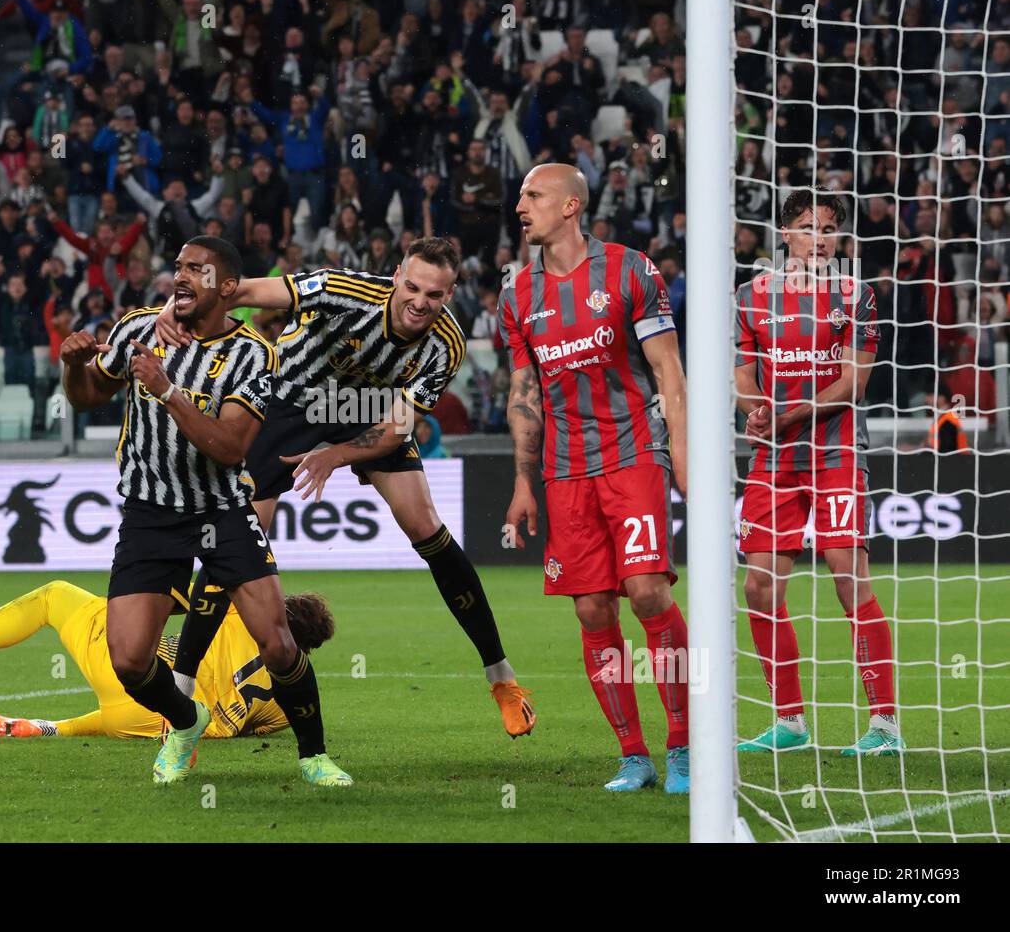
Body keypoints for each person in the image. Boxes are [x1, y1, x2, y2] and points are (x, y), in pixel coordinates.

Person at [155, 236, 537, 739]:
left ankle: (502, 680)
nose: (421, 302)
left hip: (366, 416)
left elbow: (400, 424)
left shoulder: (446, 343)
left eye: (436, 295)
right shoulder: (341, 289)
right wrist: (171, 305)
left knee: (426, 527)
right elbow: (239, 289)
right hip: (288, 404)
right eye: (414, 287)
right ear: (397, 274)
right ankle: (181, 697)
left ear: (452, 293)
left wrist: (338, 454)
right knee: (236, 543)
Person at [59, 234, 351, 787]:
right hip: (149, 513)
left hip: (221, 510)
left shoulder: (253, 355)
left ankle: (314, 756)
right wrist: (73, 366)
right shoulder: (137, 329)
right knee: (127, 661)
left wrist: (168, 390)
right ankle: (187, 720)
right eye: (179, 267)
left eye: (198, 269)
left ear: (230, 288)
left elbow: (231, 447)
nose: (182, 277)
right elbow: (87, 395)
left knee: (278, 641)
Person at [501, 163, 690, 793]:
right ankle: (633, 755)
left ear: (571, 206)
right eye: (522, 195)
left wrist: (682, 452)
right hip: (565, 470)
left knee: (647, 592)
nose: (521, 205)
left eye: (534, 195)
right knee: (590, 608)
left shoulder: (631, 270)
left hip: (633, 451)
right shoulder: (516, 296)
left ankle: (686, 745)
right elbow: (524, 394)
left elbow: (668, 370)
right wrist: (524, 482)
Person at [734, 188, 902, 757]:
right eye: (808, 227)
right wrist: (756, 409)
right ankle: (789, 723)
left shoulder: (858, 296)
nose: (820, 238)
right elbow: (743, 377)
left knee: (847, 576)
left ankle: (885, 726)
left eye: (829, 228)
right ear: (785, 234)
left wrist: (794, 413)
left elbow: (855, 381)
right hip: (774, 459)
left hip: (835, 453)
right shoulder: (750, 296)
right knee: (759, 585)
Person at [0, 579, 335, 740]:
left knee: (54, 597)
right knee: (132, 710)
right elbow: (269, 723)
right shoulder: (284, 698)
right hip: (155, 726)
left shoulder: (244, 607)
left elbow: (196, 592)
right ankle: (46, 727)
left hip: (138, 676)